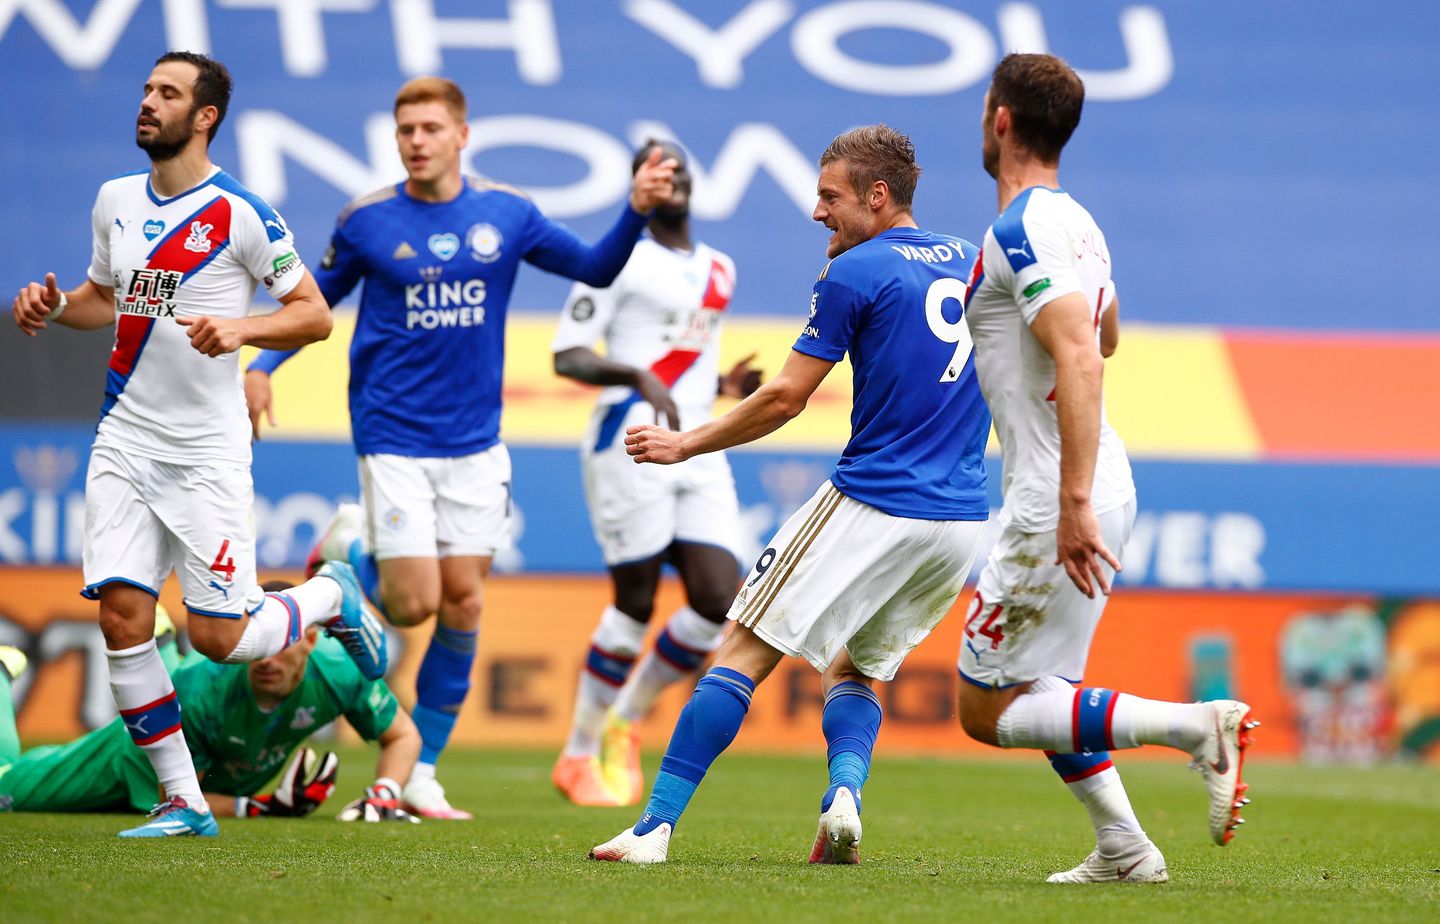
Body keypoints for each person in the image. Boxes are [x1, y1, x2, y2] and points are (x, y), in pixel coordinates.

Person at [244, 77, 677, 819]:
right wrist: (259, 366)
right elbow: (313, 302)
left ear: (461, 135)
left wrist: (635, 211)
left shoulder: (506, 214)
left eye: (430, 128)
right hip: (394, 435)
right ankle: (350, 559)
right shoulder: (368, 222)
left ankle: (422, 773)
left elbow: (596, 268)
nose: (416, 140)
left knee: (466, 604)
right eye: (405, 128)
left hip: (476, 442)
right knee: (413, 606)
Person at [590, 125, 991, 864]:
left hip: (875, 498)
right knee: (858, 668)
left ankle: (652, 831)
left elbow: (784, 399)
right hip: (960, 520)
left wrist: (684, 442)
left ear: (877, 196)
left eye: (829, 196)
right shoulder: (972, 259)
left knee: (740, 648)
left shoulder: (857, 272)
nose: (816, 212)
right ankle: (843, 799)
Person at [8, 52, 386, 839]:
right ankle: (183, 801)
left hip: (205, 453)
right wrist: (53, 304)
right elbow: (104, 300)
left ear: (205, 116)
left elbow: (313, 314)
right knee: (121, 618)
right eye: (146, 89)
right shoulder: (116, 199)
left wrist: (243, 328)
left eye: (167, 94)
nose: (147, 103)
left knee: (219, 640)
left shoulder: (240, 212)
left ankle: (331, 593)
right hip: (123, 437)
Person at [955, 53, 1259, 884]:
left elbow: (1087, 357)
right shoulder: (1080, 225)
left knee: (985, 710)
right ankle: (1125, 847)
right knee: (1050, 688)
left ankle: (1200, 727)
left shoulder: (1021, 231)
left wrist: (1071, 501)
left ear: (1001, 120)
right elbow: (1107, 329)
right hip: (1093, 478)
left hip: (1058, 493)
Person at [549, 140, 761, 807]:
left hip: (697, 439)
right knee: (635, 601)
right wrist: (636, 374)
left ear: (693, 181)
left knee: (718, 600)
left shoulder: (720, 268)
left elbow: (689, 357)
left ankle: (625, 718)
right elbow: (568, 356)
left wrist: (725, 384)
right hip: (629, 438)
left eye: (676, 165)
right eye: (652, 166)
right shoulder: (616, 261)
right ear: (639, 181)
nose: (668, 175)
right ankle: (579, 752)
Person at [0, 595, 420, 823]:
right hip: (135, 759)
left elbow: (403, 734)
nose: (266, 660)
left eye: (280, 645)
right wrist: (262, 807)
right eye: (259, 646)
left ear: (309, 640)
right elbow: (178, 796)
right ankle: (2, 671)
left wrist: (384, 795)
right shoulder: (207, 686)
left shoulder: (341, 669)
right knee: (7, 788)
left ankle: (161, 645)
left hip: (194, 719)